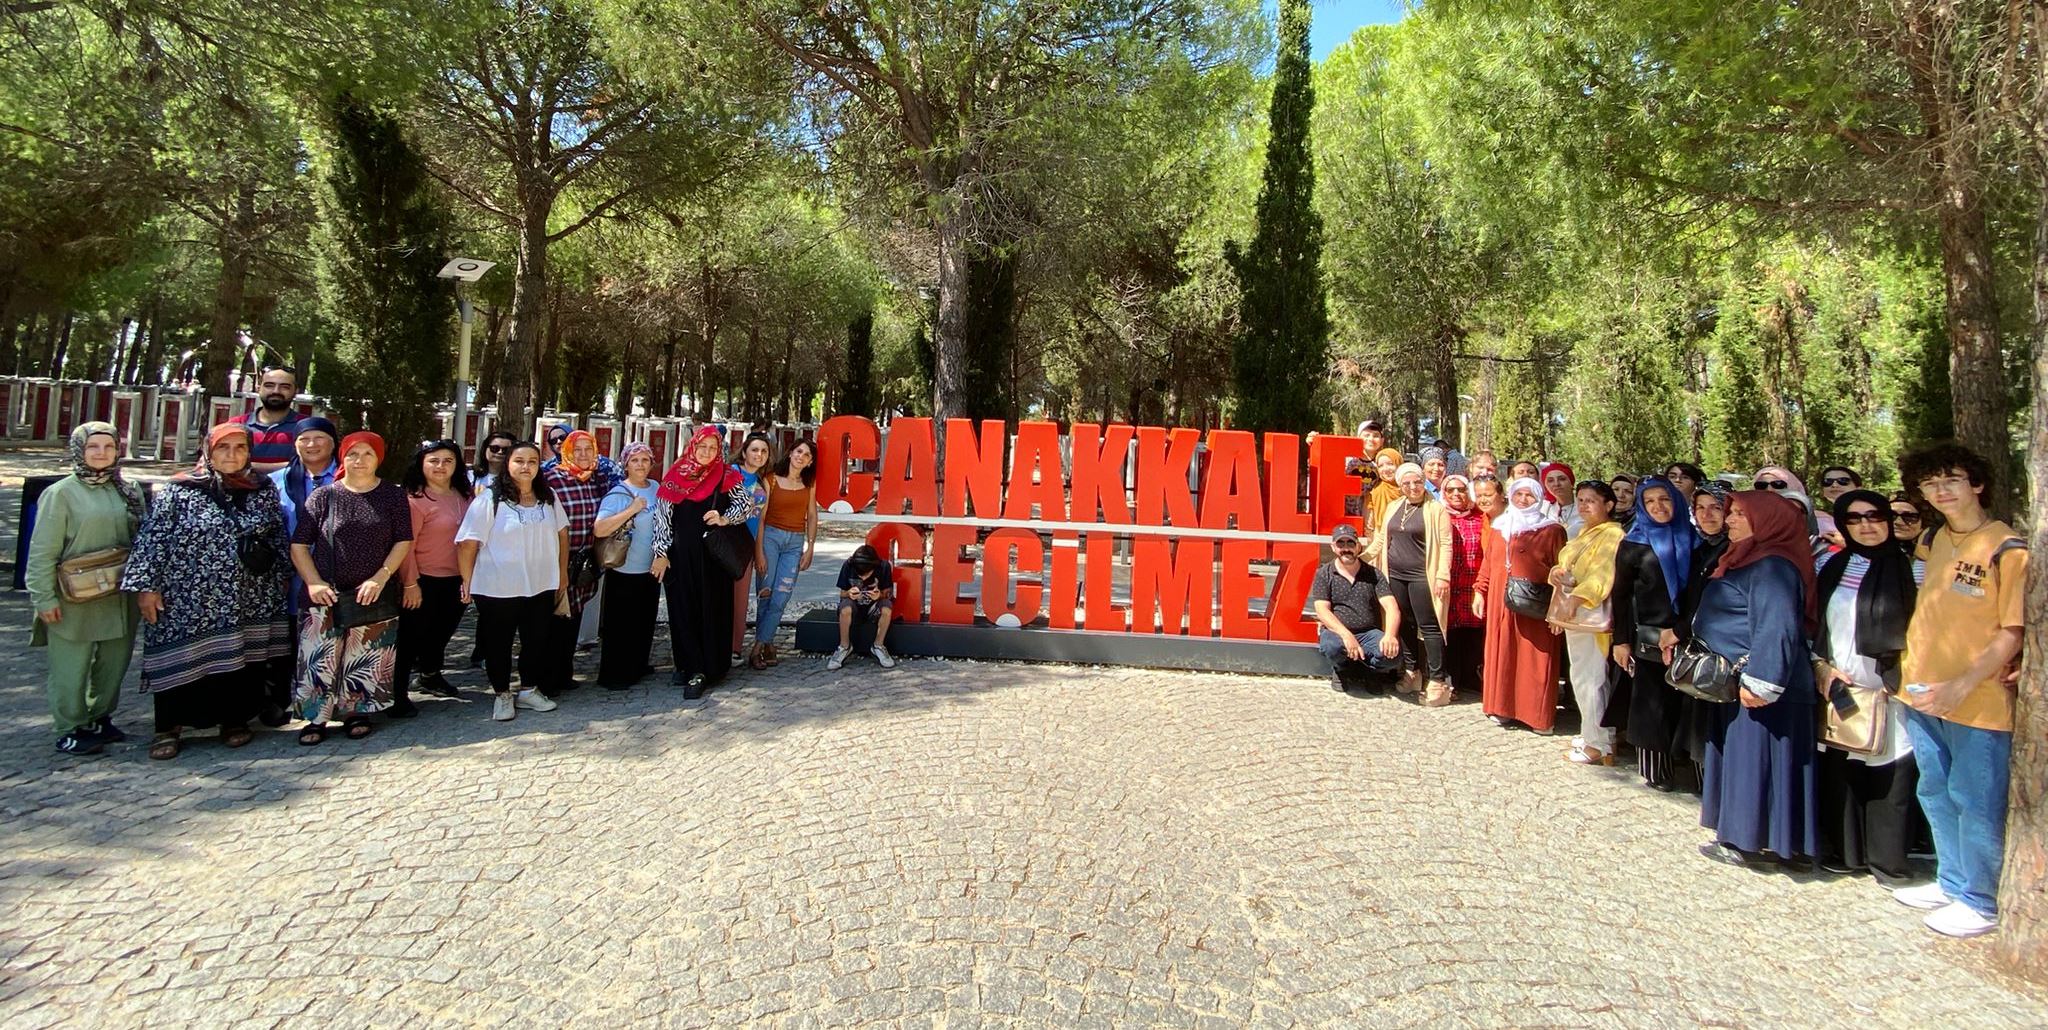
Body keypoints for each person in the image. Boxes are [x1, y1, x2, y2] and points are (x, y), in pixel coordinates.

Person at [1890, 442, 2026, 938]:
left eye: (1951, 480)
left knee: (1976, 798)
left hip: (1977, 698)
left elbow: (2012, 631)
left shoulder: (2007, 548)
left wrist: (1963, 684)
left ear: (1977, 484)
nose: (1940, 491)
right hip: (1920, 689)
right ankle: (1951, 881)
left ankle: (1981, 900)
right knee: (1934, 789)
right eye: (1930, 484)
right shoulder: (1932, 539)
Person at [120, 423, 294, 760]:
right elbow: (152, 539)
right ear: (208, 451)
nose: (232, 455)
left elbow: (276, 534)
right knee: (181, 658)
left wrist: (282, 573)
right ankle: (168, 727)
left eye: (240, 448)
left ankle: (233, 720)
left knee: (241, 660)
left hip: (248, 595)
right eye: (223, 448)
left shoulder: (262, 489)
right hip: (186, 596)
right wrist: (147, 587)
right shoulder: (179, 489)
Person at [1695, 491, 1820, 869]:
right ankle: (1761, 839)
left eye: (1739, 514)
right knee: (1747, 759)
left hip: (1765, 687)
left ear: (1767, 521)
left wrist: (1762, 681)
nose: (1729, 519)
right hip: (1741, 680)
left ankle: (1749, 842)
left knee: (1758, 761)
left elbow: (1776, 626)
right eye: (1730, 513)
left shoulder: (1773, 566)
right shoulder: (1746, 557)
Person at [1812, 489, 1922, 888]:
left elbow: (1923, 629)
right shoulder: (1835, 565)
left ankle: (1888, 862)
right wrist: (1821, 666)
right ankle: (1847, 853)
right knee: (1844, 766)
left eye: (1874, 516)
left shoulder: (1909, 569)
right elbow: (1818, 623)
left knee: (1891, 772)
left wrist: (1902, 677)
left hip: (1891, 686)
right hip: (1842, 684)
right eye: (1854, 519)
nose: (1866, 525)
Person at [28, 422, 146, 755]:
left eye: (108, 447)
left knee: (114, 662)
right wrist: (43, 597)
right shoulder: (61, 494)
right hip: (74, 596)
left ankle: (100, 717)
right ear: (79, 450)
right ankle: (69, 727)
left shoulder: (128, 490)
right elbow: (42, 552)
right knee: (71, 666)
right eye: (93, 446)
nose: (101, 453)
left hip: (118, 594)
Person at [288, 432, 412, 744]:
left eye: (367, 453)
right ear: (342, 457)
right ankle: (316, 717)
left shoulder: (393, 496)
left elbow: (402, 541)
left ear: (379, 458)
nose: (360, 460)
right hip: (326, 592)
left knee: (365, 655)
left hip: (372, 592)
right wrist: (313, 582)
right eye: (353, 453)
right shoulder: (324, 496)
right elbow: (299, 545)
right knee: (319, 656)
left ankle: (357, 712)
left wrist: (381, 577)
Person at [457, 441, 567, 721]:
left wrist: (562, 573)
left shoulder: (548, 497)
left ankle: (529, 690)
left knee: (536, 639)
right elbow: (468, 543)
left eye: (532, 461)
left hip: (541, 584)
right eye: (519, 461)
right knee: (499, 643)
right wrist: (467, 581)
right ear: (508, 464)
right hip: (498, 587)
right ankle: (502, 694)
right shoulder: (490, 499)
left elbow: (562, 534)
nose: (526, 467)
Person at [651, 426, 757, 698]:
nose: (707, 452)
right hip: (681, 556)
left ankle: (711, 667)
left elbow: (746, 505)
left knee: (713, 608)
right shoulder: (675, 476)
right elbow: (663, 518)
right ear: (693, 447)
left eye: (713, 447)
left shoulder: (726, 475)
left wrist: (724, 518)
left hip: (712, 557)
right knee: (683, 608)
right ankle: (689, 665)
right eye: (703, 447)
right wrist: (660, 553)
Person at [1611, 477, 1695, 790]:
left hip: (1690, 634)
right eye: (1649, 501)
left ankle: (1694, 770)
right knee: (1652, 705)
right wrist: (1621, 641)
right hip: (1649, 637)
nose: (1658, 506)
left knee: (1689, 703)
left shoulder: (1696, 541)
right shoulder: (1633, 544)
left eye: (1665, 499)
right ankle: (1657, 771)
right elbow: (1620, 597)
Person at [1475, 477, 1566, 732]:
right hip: (1501, 601)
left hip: (1536, 604)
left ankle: (1537, 716)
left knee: (1535, 658)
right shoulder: (1500, 526)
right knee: (1503, 653)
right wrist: (1480, 591)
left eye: (1529, 495)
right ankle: (1502, 708)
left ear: (1539, 498)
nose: (1523, 499)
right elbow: (1488, 563)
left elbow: (1562, 570)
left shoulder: (1552, 530)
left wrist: (1559, 610)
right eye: (1519, 494)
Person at [1549, 480, 1623, 765]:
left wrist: (1576, 600)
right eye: (1580, 500)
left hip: (1589, 612)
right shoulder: (1585, 531)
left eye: (1591, 501)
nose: (1583, 505)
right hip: (1577, 614)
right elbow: (1567, 563)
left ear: (1608, 505)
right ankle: (1595, 734)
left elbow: (1602, 575)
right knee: (1582, 676)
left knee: (1591, 679)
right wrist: (1557, 572)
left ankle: (1598, 744)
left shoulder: (1612, 534)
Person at [1368, 462, 1453, 706]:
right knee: (1403, 622)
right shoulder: (1395, 506)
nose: (1413, 487)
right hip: (1396, 575)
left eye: (1417, 482)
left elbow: (1446, 544)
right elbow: (1382, 538)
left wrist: (1443, 575)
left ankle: (1437, 680)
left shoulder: (1436, 509)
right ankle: (1412, 671)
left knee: (1429, 626)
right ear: (1400, 485)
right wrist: (1360, 557)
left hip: (1423, 576)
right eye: (1407, 483)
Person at [397, 440, 474, 707]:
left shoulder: (465, 495)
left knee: (441, 633)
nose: (441, 466)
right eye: (434, 461)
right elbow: (406, 546)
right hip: (423, 579)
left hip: (457, 578)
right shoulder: (415, 499)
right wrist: (410, 583)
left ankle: (430, 676)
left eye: (448, 461)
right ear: (421, 463)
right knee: (411, 638)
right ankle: (397, 693)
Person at [540, 429, 610, 695]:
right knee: (554, 619)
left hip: (584, 560)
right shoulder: (551, 478)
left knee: (574, 617)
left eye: (587, 449)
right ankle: (545, 679)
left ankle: (563, 672)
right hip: (558, 558)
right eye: (577, 449)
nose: (582, 455)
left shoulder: (594, 478)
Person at [593, 442, 662, 689]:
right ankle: (616, 675)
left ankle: (638, 665)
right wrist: (631, 510)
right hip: (624, 570)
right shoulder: (618, 493)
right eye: (635, 460)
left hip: (651, 568)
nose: (640, 465)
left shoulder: (656, 488)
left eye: (645, 460)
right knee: (621, 626)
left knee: (644, 621)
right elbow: (600, 528)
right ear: (626, 465)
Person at [751, 438, 819, 669]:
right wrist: (759, 551)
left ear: (810, 462)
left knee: (782, 596)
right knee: (765, 594)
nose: (801, 457)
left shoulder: (809, 484)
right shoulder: (771, 479)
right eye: (799, 451)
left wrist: (810, 547)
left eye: (807, 455)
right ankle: (766, 644)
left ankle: (759, 645)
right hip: (770, 537)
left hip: (795, 543)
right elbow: (761, 517)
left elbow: (812, 515)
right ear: (790, 453)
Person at [1311, 524, 1402, 691]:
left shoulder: (1374, 574)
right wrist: (1346, 635)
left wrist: (1390, 636)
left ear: (1358, 546)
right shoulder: (1324, 574)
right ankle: (1341, 670)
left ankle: (1371, 671)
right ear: (1333, 547)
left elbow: (1391, 607)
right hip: (1336, 632)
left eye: (1350, 543)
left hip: (1368, 633)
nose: (1346, 548)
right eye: (1341, 543)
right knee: (1332, 648)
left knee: (1392, 654)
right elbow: (1322, 610)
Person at [1440, 475, 1488, 700]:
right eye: (1450, 490)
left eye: (1461, 489)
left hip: (1473, 583)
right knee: (1450, 634)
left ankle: (1472, 678)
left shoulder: (1481, 518)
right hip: (1448, 584)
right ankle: (1453, 681)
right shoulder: (1440, 516)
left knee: (1474, 632)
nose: (1456, 494)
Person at [729, 433, 774, 666]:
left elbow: (761, 520)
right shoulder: (731, 473)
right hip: (726, 542)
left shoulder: (763, 482)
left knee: (740, 600)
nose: (759, 454)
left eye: (764, 451)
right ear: (744, 451)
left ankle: (734, 648)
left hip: (747, 546)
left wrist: (759, 552)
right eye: (755, 450)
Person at [829, 544, 897, 670]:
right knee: (845, 608)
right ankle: (844, 646)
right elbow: (842, 593)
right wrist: (849, 593)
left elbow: (888, 594)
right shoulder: (848, 565)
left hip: (874, 607)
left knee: (887, 607)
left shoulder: (883, 566)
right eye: (860, 575)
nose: (863, 577)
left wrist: (879, 595)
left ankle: (878, 645)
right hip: (854, 606)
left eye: (867, 574)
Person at [230, 364, 306, 474]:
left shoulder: (307, 427)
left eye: (285, 387)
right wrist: (290, 466)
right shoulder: (236, 425)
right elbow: (220, 463)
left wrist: (248, 467)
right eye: (269, 385)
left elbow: (314, 465)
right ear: (258, 388)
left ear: (295, 391)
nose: (276, 391)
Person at [1540, 462, 1582, 537]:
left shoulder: (1585, 506)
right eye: (1550, 480)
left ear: (1571, 483)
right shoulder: (1543, 509)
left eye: (1562, 479)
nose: (1556, 484)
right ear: (1545, 485)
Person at [1365, 448, 1403, 531]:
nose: (1386, 469)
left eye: (1390, 464)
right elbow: (1369, 526)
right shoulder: (1375, 493)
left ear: (1399, 464)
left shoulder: (1410, 490)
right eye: (1380, 466)